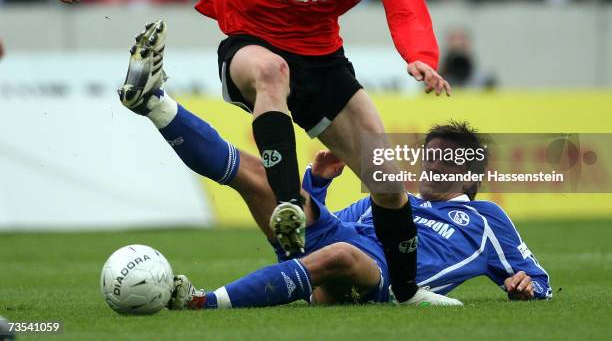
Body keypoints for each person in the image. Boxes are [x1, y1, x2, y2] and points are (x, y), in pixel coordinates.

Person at [53, 0, 451, 305]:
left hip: (324, 62)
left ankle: (407, 295)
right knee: (271, 72)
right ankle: (287, 202)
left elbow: (405, 4)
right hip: (251, 44)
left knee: (387, 183)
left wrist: (421, 56)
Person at [165, 119, 552, 310]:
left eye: (446, 158)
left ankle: (205, 302)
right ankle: (159, 106)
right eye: (431, 153)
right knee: (258, 172)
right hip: (334, 251)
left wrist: (527, 286)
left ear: (469, 174)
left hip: (381, 277)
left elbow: (538, 279)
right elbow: (333, 229)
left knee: (342, 256)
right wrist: (316, 183)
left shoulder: (485, 217)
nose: (433, 163)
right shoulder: (390, 200)